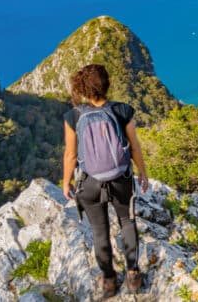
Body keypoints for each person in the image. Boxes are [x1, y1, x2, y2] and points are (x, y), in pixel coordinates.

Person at [61, 64, 149, 297]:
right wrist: (142, 172)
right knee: (127, 222)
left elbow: (70, 154)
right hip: (121, 178)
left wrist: (66, 181)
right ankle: (133, 276)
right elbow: (134, 147)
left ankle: (109, 280)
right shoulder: (123, 110)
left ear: (82, 90)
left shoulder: (73, 116)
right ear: (107, 84)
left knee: (99, 231)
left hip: (89, 183)